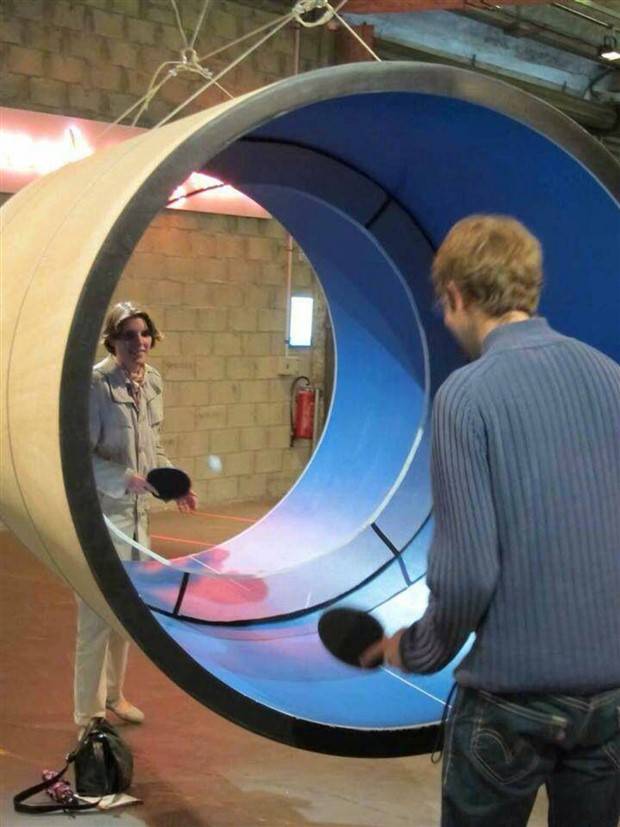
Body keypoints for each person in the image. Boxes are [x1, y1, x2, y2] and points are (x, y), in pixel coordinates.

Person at [361, 215, 620, 827]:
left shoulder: (468, 395)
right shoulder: (612, 378)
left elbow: (469, 573)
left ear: (456, 295)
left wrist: (416, 650)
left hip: (512, 702)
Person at [74, 302, 197, 732]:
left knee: (126, 614)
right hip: (103, 516)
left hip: (139, 518)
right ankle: (88, 716)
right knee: (96, 618)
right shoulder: (95, 385)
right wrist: (126, 479)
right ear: (112, 340)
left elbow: (152, 446)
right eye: (128, 335)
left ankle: (114, 695)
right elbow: (80, 457)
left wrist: (174, 484)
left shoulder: (153, 381)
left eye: (144, 333)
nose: (139, 342)